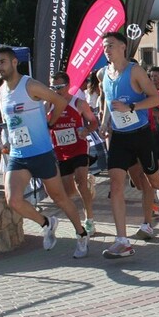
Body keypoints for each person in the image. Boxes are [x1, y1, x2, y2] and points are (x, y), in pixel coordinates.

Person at [98, 32, 159, 258]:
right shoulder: (104, 74)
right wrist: (104, 123)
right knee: (116, 185)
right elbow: (107, 101)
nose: (107, 50)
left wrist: (131, 108)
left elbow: (156, 99)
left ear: (123, 47)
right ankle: (122, 241)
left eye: (110, 45)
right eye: (104, 47)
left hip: (141, 134)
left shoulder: (135, 71)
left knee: (154, 180)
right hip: (119, 137)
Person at [0, 47, 89, 258]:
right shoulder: (0, 92)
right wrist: (7, 139)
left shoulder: (30, 85)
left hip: (42, 153)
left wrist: (50, 123)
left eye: (3, 62)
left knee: (60, 198)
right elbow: (8, 122)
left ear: (14, 62)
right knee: (13, 200)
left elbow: (60, 100)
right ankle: (46, 223)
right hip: (18, 156)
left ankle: (81, 234)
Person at [48, 70, 98, 236]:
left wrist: (86, 130)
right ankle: (88, 187)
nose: (56, 90)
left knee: (80, 182)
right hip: (61, 151)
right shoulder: (48, 105)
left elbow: (93, 122)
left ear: (68, 86)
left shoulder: (78, 103)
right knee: (68, 191)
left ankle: (89, 220)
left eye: (60, 86)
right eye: (53, 87)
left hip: (79, 148)